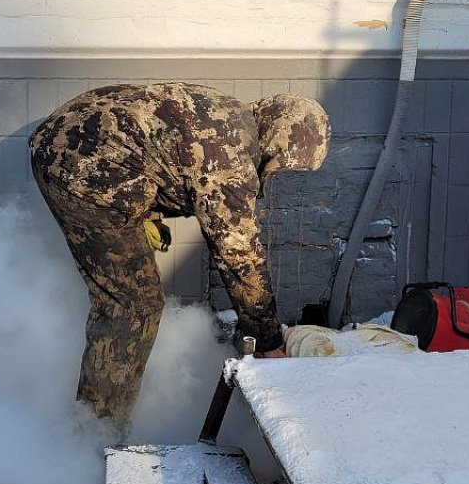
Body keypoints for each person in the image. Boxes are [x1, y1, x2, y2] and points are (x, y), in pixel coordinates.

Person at [29, 83, 331, 430]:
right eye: (287, 166)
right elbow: (239, 259)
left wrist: (146, 210)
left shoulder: (231, 116)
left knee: (134, 295)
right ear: (279, 144)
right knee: (133, 305)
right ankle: (95, 434)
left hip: (73, 142)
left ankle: (97, 425)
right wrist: (267, 339)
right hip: (77, 171)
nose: (280, 174)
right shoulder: (229, 159)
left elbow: (158, 146)